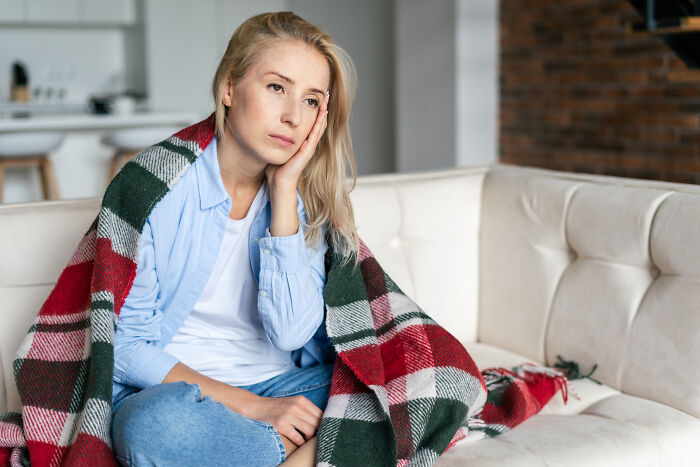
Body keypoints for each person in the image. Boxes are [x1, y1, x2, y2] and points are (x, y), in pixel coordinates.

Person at [110, 11, 360, 466]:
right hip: (182, 396)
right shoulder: (154, 185)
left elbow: (289, 335)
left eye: (310, 101)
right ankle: (307, 452)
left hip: (285, 386)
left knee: (401, 384)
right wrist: (257, 409)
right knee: (151, 430)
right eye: (276, 87)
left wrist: (284, 195)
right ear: (229, 87)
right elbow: (124, 348)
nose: (291, 116)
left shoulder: (306, 200)